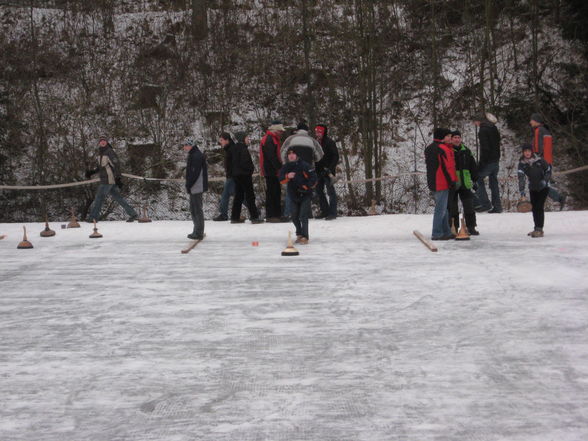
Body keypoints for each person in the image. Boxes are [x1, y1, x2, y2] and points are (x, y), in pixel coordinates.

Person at [86, 136, 138, 222]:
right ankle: (133, 214)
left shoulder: (110, 152)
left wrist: (118, 178)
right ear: (99, 143)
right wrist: (92, 172)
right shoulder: (100, 153)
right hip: (104, 179)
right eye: (101, 141)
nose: (102, 142)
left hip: (108, 180)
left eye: (104, 141)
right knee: (118, 198)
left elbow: (116, 165)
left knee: (99, 198)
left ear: (106, 142)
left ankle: (93, 218)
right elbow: (101, 167)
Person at [280, 121, 324, 221]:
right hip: (307, 170)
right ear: (307, 131)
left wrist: (286, 163)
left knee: (290, 190)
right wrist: (313, 160)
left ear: (297, 130)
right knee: (306, 190)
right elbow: (320, 155)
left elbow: (282, 152)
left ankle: (289, 213)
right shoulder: (312, 140)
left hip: (293, 169)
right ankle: (306, 214)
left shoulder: (290, 139)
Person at [279, 147, 318, 244]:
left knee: (303, 215)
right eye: (289, 154)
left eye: (293, 153)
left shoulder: (304, 165)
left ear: (297, 155)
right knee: (294, 216)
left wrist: (306, 186)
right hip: (293, 195)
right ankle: (299, 233)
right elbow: (281, 179)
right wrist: (287, 176)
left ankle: (305, 236)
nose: (291, 155)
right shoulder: (286, 166)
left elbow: (314, 178)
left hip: (305, 194)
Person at [425, 128, 458, 240]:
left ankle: (446, 232)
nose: (450, 138)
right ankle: (437, 233)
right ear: (442, 137)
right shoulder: (442, 149)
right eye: (448, 136)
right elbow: (447, 168)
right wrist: (452, 181)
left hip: (434, 181)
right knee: (441, 209)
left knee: (444, 208)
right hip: (442, 182)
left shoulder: (430, 148)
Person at [529, 113, 567, 210]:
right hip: (548, 159)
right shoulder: (545, 130)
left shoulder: (538, 131)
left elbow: (538, 147)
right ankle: (556, 198)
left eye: (532, 120)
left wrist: (536, 157)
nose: (530, 122)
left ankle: (557, 198)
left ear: (536, 121)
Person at [449, 130, 479, 235]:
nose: (457, 140)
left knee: (469, 206)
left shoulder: (466, 151)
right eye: (455, 138)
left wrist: (475, 179)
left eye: (458, 137)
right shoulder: (449, 150)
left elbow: (473, 166)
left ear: (461, 139)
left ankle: (471, 227)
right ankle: (454, 227)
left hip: (465, 183)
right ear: (451, 139)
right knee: (453, 208)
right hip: (453, 183)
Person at [518, 143, 551, 238]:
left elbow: (548, 170)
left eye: (529, 151)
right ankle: (536, 228)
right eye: (525, 151)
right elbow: (521, 178)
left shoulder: (540, 160)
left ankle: (539, 229)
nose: (527, 153)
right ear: (523, 152)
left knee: (539, 207)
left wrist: (545, 181)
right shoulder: (522, 164)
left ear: (532, 151)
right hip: (533, 188)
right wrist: (522, 191)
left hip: (543, 187)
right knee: (534, 208)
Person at [229, 132, 263, 224]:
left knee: (238, 196)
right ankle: (254, 216)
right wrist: (251, 169)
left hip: (236, 175)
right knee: (250, 196)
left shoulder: (234, 148)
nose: (249, 139)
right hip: (244, 175)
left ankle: (235, 217)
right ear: (242, 139)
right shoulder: (243, 149)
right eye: (247, 138)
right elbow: (245, 163)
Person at [472, 113, 502, 213]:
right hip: (496, 160)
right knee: (494, 183)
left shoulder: (483, 130)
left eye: (475, 122)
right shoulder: (493, 128)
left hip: (488, 161)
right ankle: (497, 206)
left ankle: (485, 204)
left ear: (478, 121)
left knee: (478, 178)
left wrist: (481, 164)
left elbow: (485, 148)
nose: (475, 124)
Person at [260, 121, 285, 222]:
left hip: (272, 170)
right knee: (272, 192)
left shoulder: (272, 138)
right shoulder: (270, 139)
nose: (282, 133)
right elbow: (272, 157)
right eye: (280, 131)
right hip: (270, 170)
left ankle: (276, 214)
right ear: (276, 131)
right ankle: (272, 215)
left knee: (275, 192)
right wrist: (279, 167)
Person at [184, 137, 208, 240]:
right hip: (195, 186)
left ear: (190, 145)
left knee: (196, 209)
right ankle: (197, 230)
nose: (184, 147)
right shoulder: (194, 154)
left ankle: (198, 232)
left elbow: (194, 173)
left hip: (197, 186)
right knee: (194, 209)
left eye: (185, 145)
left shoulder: (196, 155)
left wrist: (188, 184)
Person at [314, 124, 339, 220]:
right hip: (318, 171)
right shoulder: (315, 143)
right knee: (319, 191)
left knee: (330, 192)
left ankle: (333, 213)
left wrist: (330, 168)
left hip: (328, 171)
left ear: (324, 132)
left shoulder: (329, 142)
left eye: (319, 132)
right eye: (316, 132)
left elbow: (335, 156)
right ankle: (325, 211)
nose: (318, 134)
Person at [213, 132, 235, 221]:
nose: (220, 142)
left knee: (225, 195)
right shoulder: (229, 148)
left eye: (221, 140)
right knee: (240, 196)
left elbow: (234, 164)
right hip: (231, 176)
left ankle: (223, 215)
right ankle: (255, 210)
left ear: (227, 140)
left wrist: (231, 174)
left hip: (232, 176)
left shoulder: (231, 149)